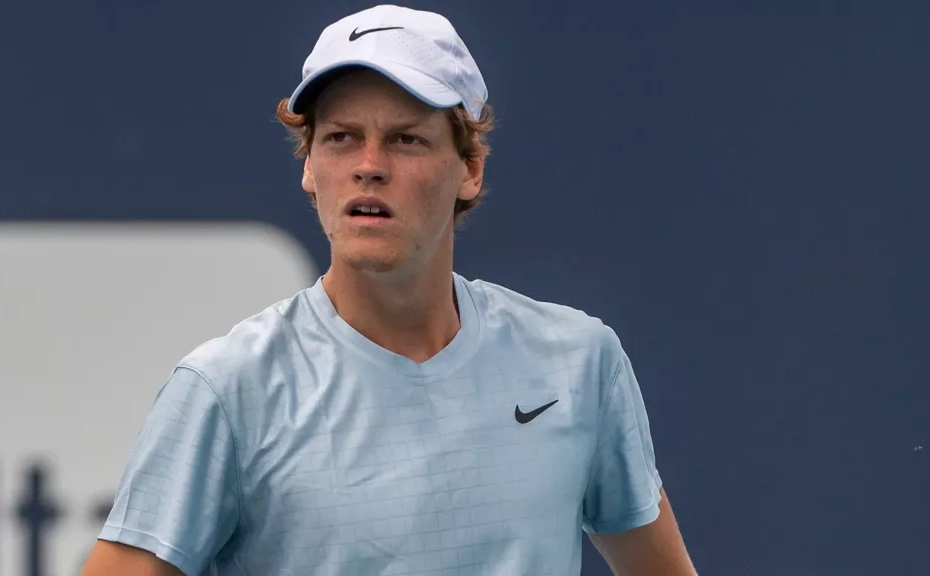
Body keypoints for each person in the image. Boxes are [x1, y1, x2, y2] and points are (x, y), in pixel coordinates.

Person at [79, 4, 696, 575]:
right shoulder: (226, 389)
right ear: (309, 166)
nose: (369, 165)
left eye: (406, 139)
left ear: (470, 169)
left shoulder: (580, 363)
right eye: (341, 137)